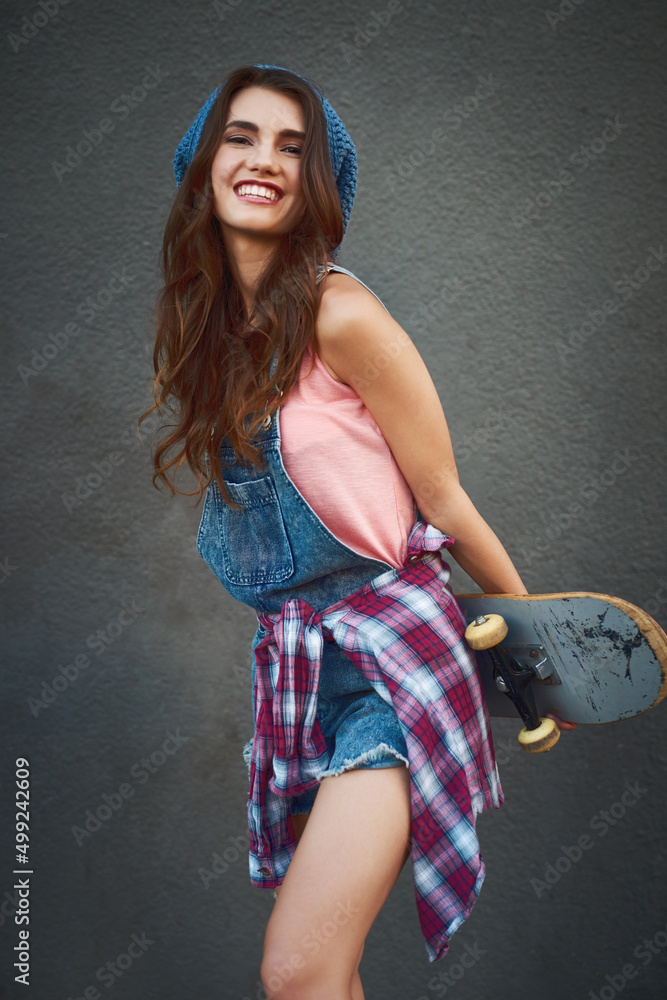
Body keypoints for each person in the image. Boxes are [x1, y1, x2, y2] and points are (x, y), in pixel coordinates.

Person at [140, 63, 574, 1000]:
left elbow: (446, 503)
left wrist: (545, 657)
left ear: (316, 186)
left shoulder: (343, 315)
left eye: (292, 148)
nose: (263, 160)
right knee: (324, 976)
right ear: (204, 165)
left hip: (393, 664)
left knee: (296, 971)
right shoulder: (219, 337)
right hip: (300, 672)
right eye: (242, 137)